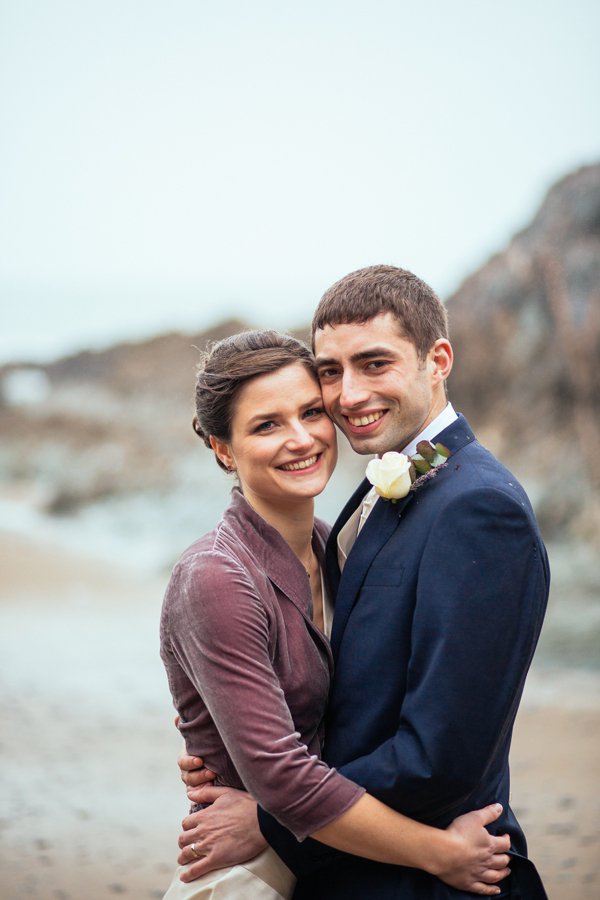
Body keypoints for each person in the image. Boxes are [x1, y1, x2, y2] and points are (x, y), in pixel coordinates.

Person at [177, 266, 550, 900]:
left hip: (433, 879)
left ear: (438, 360)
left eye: (374, 364)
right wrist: (234, 751)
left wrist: (268, 819)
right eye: (330, 371)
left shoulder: (480, 509)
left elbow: (441, 757)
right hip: (355, 866)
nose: (348, 395)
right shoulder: (373, 495)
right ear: (223, 448)